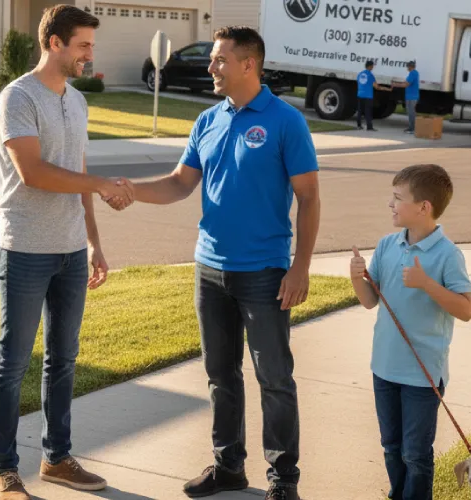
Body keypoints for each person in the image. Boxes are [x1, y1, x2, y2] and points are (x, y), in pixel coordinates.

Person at [119, 25, 321, 500]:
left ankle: (283, 480)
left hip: (265, 271)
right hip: (209, 269)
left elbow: (309, 198)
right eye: (212, 59)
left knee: (273, 377)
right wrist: (133, 191)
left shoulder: (285, 121)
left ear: (249, 64)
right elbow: (179, 183)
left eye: (219, 60)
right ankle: (228, 465)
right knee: (219, 374)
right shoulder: (208, 120)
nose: (211, 67)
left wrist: (301, 267)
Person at [0, 5, 133, 500]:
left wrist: (94, 242)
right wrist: (99, 182)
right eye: (83, 45)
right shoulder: (17, 97)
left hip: (71, 251)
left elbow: (76, 173)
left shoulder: (76, 100)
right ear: (54, 43)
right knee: (13, 362)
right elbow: (35, 173)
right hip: (26, 249)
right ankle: (3, 469)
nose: (90, 53)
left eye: (91, 44)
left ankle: (57, 458)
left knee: (63, 359)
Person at [349, 164, 471, 500]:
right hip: (384, 368)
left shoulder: (447, 254)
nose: (391, 203)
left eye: (398, 197)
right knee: (391, 446)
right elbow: (370, 301)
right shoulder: (388, 245)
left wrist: (426, 284)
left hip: (423, 375)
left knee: (415, 453)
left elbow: (466, 310)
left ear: (424, 207)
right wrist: (357, 278)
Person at [390, 61, 420, 134]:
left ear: (410, 67)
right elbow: (405, 83)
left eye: (408, 66)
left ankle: (412, 128)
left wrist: (395, 85)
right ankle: (411, 127)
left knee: (411, 112)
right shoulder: (414, 73)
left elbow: (405, 84)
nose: (407, 68)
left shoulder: (413, 73)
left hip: (412, 96)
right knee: (410, 112)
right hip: (410, 96)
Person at [356, 60, 383, 131]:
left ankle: (359, 125)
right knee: (368, 112)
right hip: (368, 95)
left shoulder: (360, 74)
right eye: (372, 66)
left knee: (360, 110)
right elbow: (376, 86)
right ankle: (369, 127)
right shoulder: (370, 75)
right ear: (370, 66)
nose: (373, 67)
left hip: (360, 94)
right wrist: (382, 88)